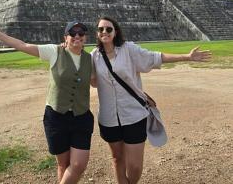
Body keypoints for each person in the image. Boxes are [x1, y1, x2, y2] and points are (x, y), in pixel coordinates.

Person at [91, 16, 212, 184]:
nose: (104, 32)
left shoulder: (128, 50)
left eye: (108, 29)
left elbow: (156, 57)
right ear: (97, 34)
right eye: (101, 29)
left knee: (134, 166)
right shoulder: (94, 56)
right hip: (109, 118)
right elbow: (91, 81)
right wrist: (64, 49)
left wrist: (187, 57)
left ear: (115, 31)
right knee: (117, 159)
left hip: (133, 114)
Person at [0, 20, 94, 184]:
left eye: (81, 33)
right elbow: (23, 46)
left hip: (81, 117)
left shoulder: (91, 58)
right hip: (57, 117)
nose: (77, 36)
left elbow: (100, 79)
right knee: (63, 164)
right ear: (65, 37)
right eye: (72, 33)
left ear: (85, 37)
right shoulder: (54, 52)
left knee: (78, 164)